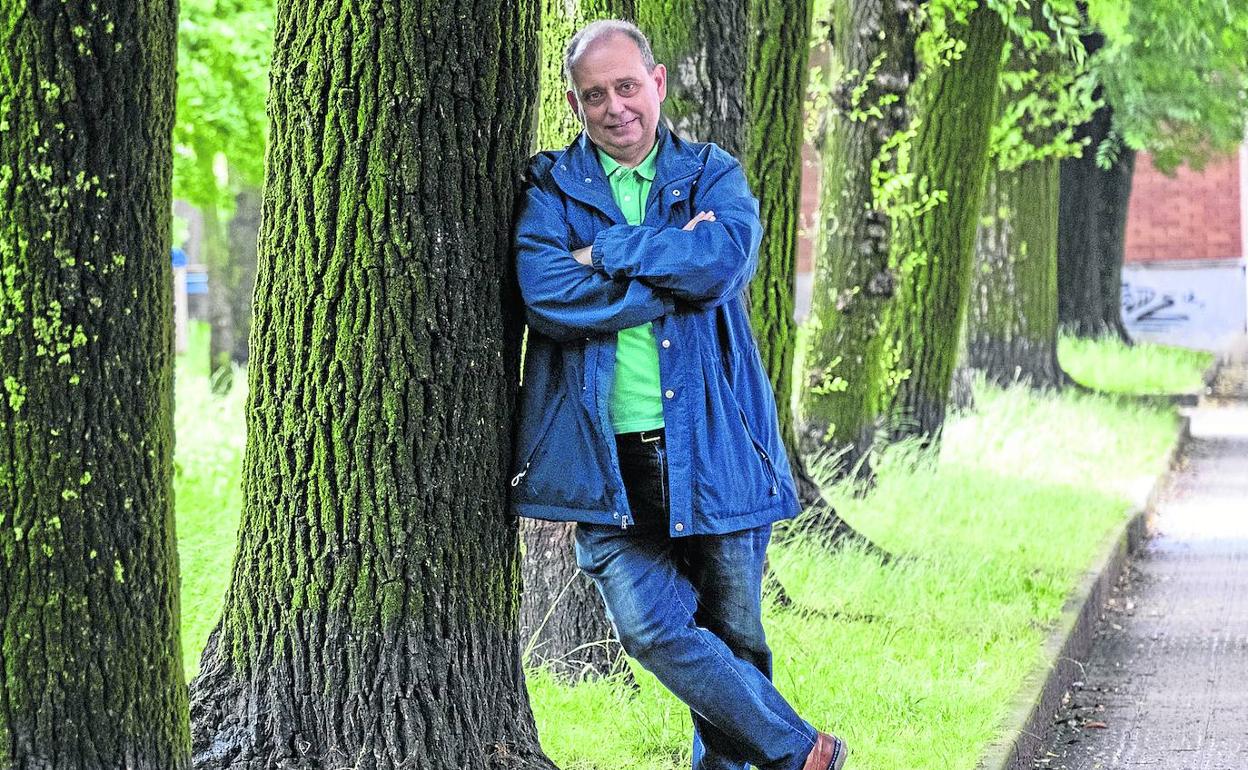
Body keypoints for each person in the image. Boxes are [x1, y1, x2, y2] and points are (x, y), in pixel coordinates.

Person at [510, 19, 849, 770]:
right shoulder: (552, 187)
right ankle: (805, 754)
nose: (614, 108)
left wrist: (610, 251)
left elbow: (721, 265)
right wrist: (672, 271)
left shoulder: (711, 174)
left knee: (734, 642)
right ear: (574, 102)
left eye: (627, 87)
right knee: (653, 631)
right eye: (594, 95)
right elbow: (549, 296)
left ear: (657, 83)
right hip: (601, 462)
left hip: (716, 443)